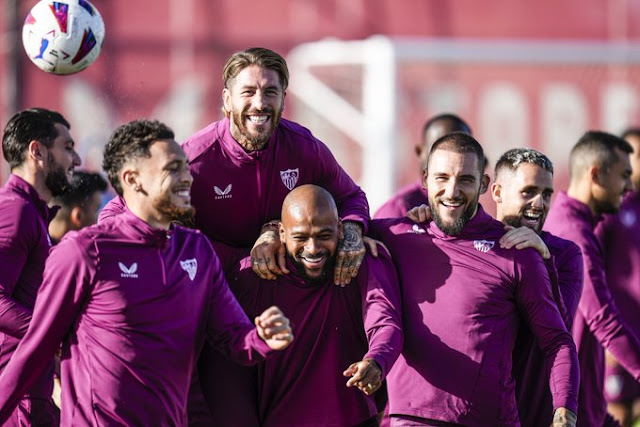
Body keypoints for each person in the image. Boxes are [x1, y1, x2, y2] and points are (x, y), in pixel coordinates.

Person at [0, 120, 293, 426]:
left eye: (185, 167)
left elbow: (235, 338)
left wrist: (262, 338)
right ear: (132, 179)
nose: (187, 178)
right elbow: (34, 351)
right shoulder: (85, 251)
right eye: (173, 168)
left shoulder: (197, 251)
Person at [101, 47, 372, 287]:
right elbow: (122, 208)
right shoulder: (195, 159)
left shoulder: (304, 148)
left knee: (376, 253)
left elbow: (351, 197)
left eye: (270, 92)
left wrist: (351, 235)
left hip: (281, 289)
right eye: (248, 92)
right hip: (214, 287)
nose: (260, 103)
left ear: (283, 99)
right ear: (227, 101)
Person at [372, 132, 579, 426]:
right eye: (442, 177)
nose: (452, 191)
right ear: (425, 180)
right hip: (409, 419)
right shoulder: (396, 235)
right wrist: (354, 238)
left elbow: (557, 340)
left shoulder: (516, 251)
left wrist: (564, 411)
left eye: (465, 180)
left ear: (482, 184)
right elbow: (330, 229)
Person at [200, 185, 402, 426]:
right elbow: (226, 350)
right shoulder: (251, 275)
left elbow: (384, 320)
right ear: (282, 233)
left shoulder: (364, 261)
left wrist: (376, 360)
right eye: (300, 237)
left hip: (356, 420)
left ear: (340, 229)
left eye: (323, 236)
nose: (313, 248)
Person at [545, 130, 640, 427]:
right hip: (569, 410)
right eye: (624, 175)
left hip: (587, 408)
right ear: (596, 174)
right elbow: (602, 317)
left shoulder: (583, 226)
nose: (628, 186)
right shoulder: (573, 233)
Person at [0, 108, 81, 426]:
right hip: (15, 398)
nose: (75, 159)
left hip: (30, 392)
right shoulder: (15, 212)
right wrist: (54, 334)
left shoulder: (30, 212)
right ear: (37, 151)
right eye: (67, 147)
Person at [491, 148, 584, 426]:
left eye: (546, 194)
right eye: (528, 191)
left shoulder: (564, 254)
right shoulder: (473, 245)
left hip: (534, 413)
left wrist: (543, 260)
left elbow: (560, 330)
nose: (538, 203)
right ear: (497, 192)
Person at [595, 128, 640, 426]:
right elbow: (594, 271)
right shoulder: (611, 207)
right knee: (618, 414)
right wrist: (607, 341)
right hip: (621, 332)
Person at [374, 113, 472, 219]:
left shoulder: (470, 207)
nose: (451, 157)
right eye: (440, 149)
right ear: (421, 152)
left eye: (461, 149)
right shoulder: (397, 212)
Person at [49, 170, 108, 244]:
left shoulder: (34, 242)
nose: (100, 221)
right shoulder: (74, 254)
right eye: (96, 210)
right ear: (78, 216)